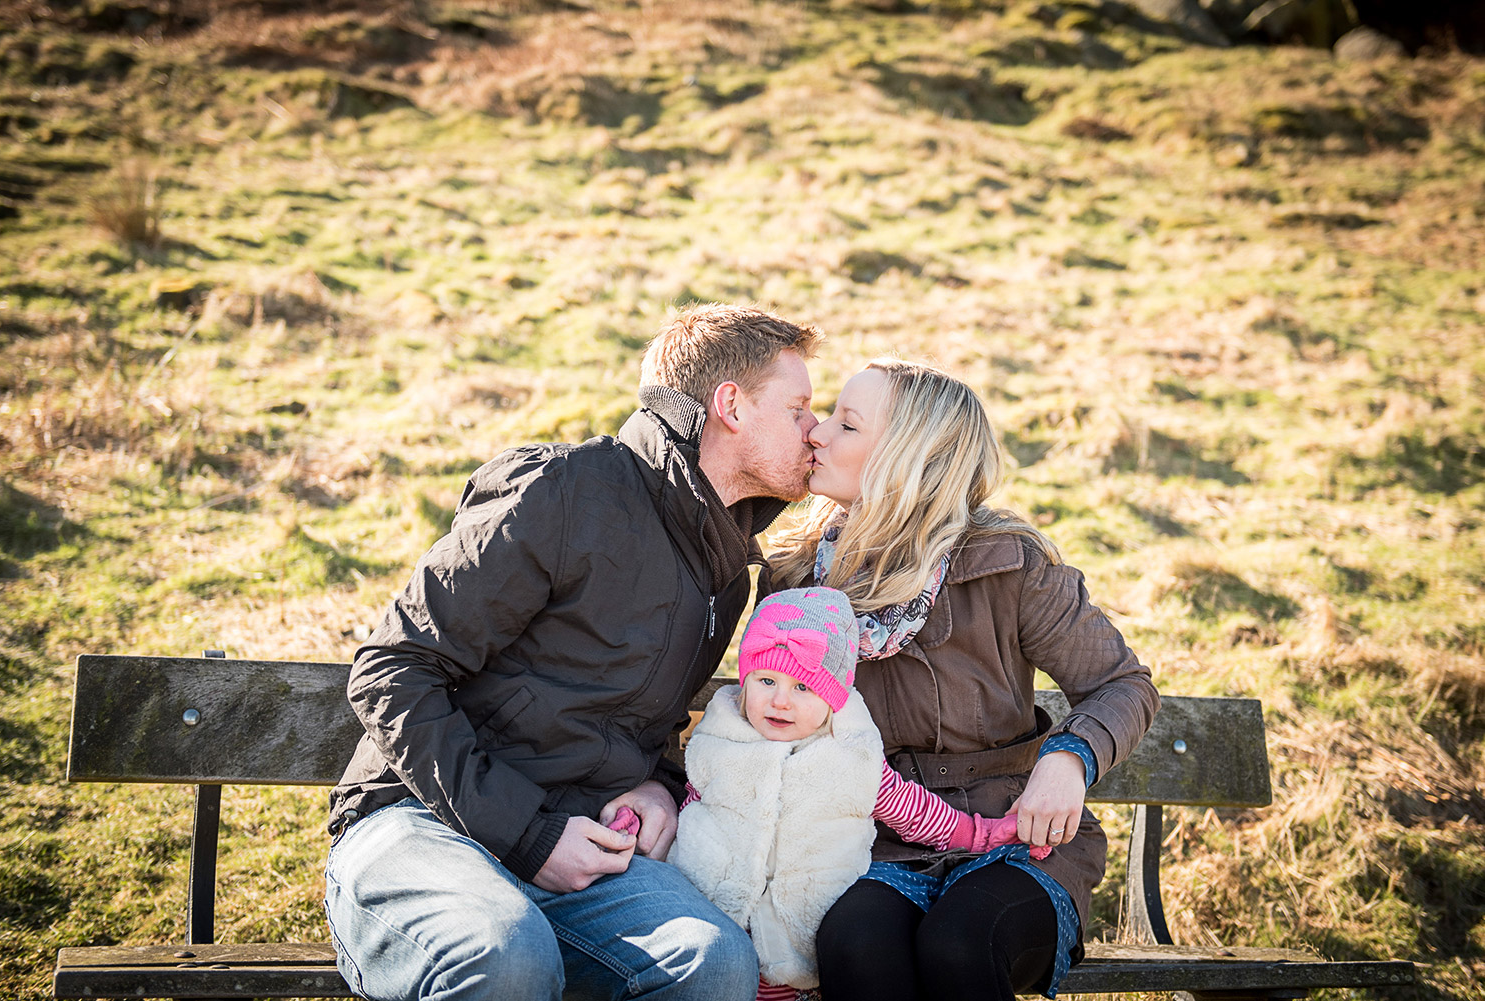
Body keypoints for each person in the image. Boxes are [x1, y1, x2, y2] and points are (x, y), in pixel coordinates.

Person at [324, 303, 824, 1001]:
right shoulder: (562, 492)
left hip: (578, 842)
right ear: (731, 405)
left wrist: (660, 785)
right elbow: (392, 671)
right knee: (506, 956)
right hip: (420, 820)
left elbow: (628, 717)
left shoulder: (722, 570)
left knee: (713, 964)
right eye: (799, 406)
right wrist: (528, 834)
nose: (816, 429)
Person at [767, 359, 1161, 1001]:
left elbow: (1123, 685)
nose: (817, 433)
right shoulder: (797, 582)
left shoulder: (1008, 565)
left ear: (907, 457)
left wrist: (1069, 758)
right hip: (880, 844)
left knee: (960, 943)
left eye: (847, 423)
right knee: (854, 946)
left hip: (1018, 841)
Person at [668, 586, 1046, 1001]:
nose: (779, 702)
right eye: (766, 680)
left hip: (798, 931)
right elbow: (691, 809)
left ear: (833, 699)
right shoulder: (722, 740)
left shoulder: (849, 759)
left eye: (802, 688)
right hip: (714, 914)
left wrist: (984, 835)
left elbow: (917, 813)